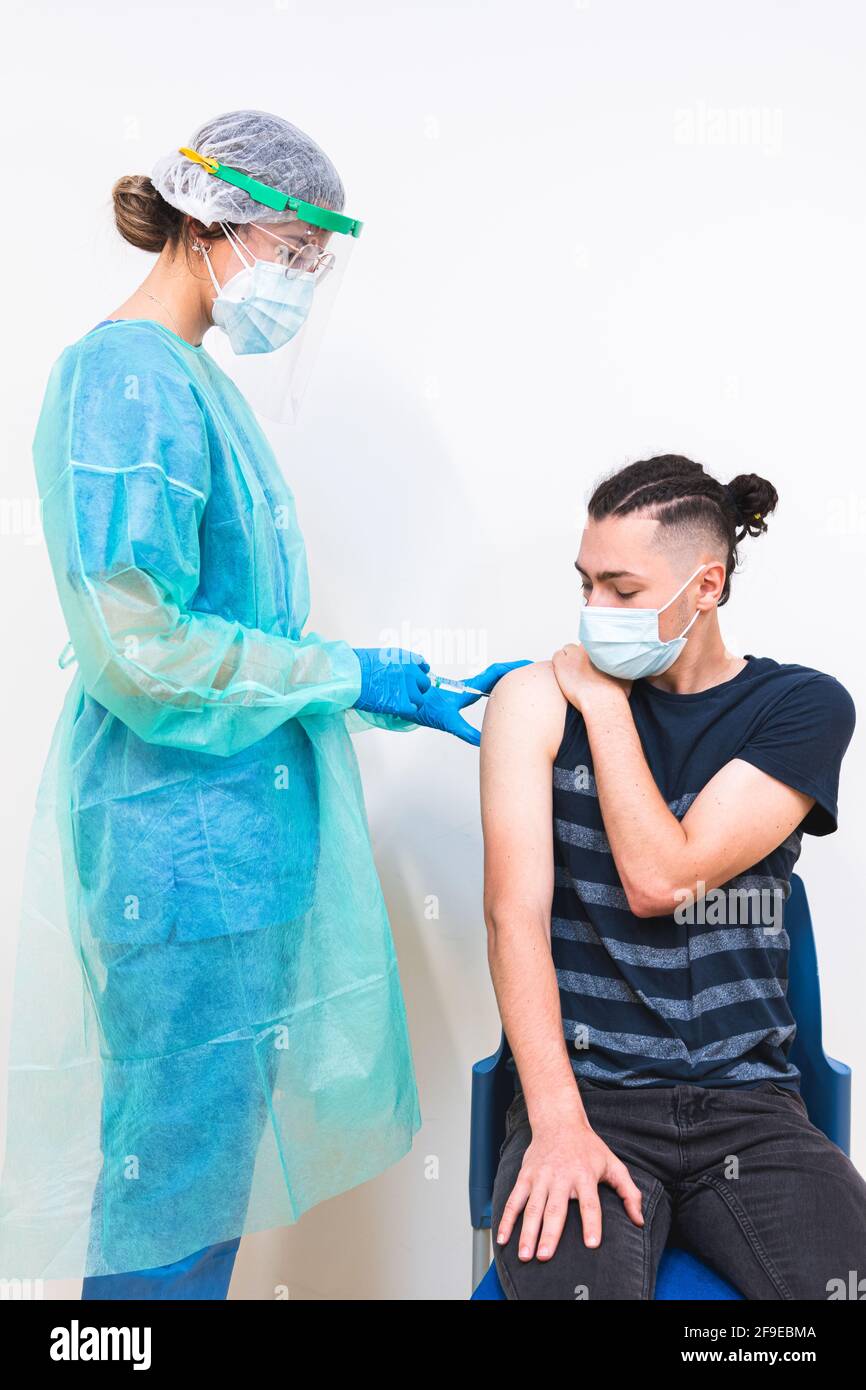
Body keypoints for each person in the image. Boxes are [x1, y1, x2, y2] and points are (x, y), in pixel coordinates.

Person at [0, 109, 521, 1300]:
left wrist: (393, 686)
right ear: (209, 218)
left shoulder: (190, 382)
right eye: (290, 248)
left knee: (202, 1158)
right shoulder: (122, 379)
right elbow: (140, 647)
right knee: (168, 1174)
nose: (296, 280)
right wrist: (346, 676)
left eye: (311, 264)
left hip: (227, 842)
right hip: (177, 853)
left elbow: (230, 628)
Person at [481, 453, 866, 1299]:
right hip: (589, 1105)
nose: (592, 615)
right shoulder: (531, 701)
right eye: (584, 585)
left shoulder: (801, 707)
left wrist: (606, 703)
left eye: (621, 590)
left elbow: (663, 876)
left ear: (706, 587)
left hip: (751, 1110)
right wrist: (555, 1124)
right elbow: (514, 919)